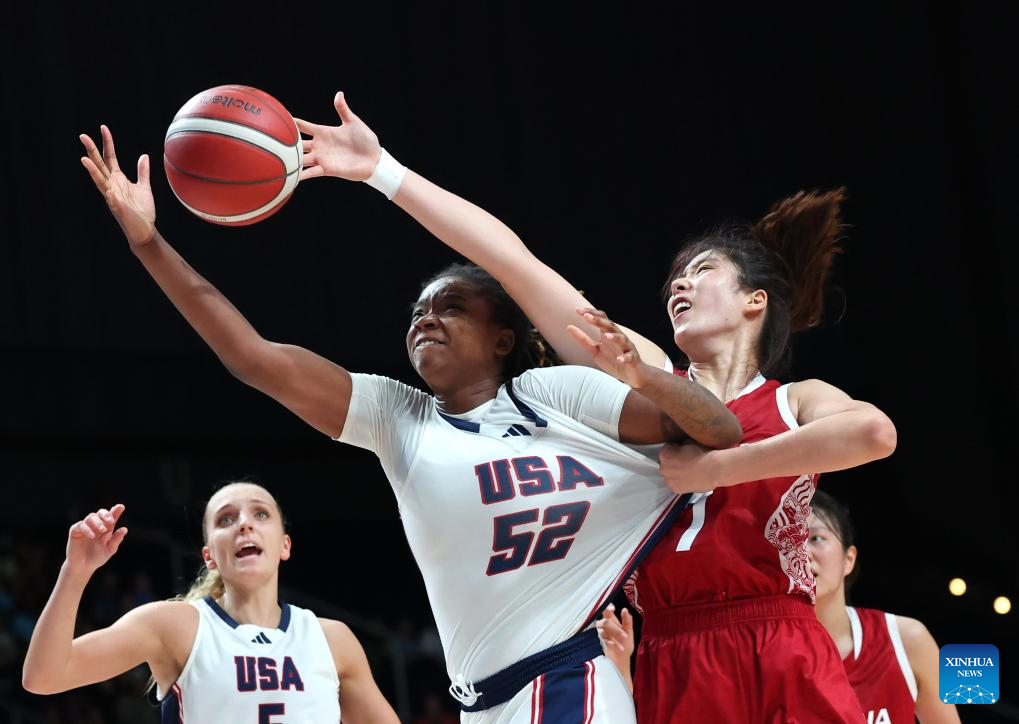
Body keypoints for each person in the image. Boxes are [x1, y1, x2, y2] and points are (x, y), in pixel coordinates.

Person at [76, 124, 741, 723]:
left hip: (571, 679)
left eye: (451, 307)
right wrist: (148, 242)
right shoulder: (399, 418)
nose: (426, 318)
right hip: (483, 703)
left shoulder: (553, 394)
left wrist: (644, 374)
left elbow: (718, 429)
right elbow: (253, 358)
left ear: (503, 338)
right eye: (418, 311)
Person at [296, 91, 898, 721]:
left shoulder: (793, 400)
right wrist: (383, 171)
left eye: (702, 270)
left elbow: (873, 433)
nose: (679, 282)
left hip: (779, 639)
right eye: (675, 276)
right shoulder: (640, 371)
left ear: (755, 301)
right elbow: (512, 262)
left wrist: (720, 467)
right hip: (669, 652)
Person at [22, 482, 399, 723]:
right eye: (226, 519)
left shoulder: (332, 640)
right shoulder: (175, 626)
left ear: (285, 544)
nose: (245, 524)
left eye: (260, 514)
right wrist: (75, 572)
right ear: (210, 556)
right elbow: (44, 677)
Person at [808, 490, 960, 724]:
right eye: (789, 543)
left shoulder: (908, 639)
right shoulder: (762, 651)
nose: (802, 553)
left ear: (849, 559)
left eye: (816, 538)